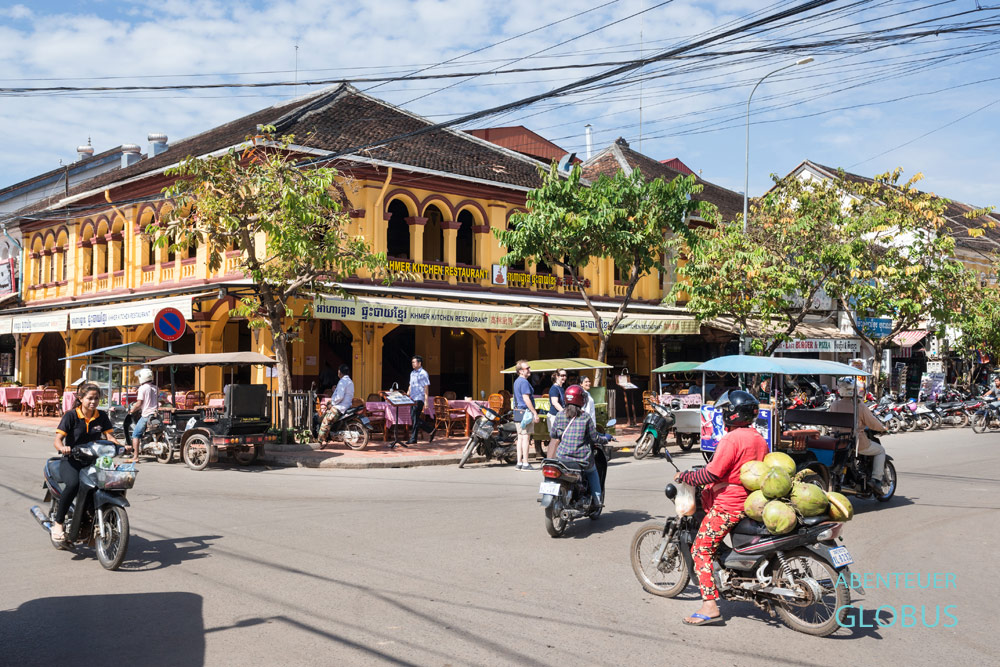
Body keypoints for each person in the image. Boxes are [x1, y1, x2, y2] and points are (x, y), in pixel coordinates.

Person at [673, 390, 768, 626]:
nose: (724, 415)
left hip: (729, 505)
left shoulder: (731, 439)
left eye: (726, 411)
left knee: (700, 550)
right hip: (750, 502)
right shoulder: (758, 437)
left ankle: (709, 605)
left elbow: (712, 472)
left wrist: (687, 476)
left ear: (733, 414)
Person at [50, 383, 122, 544]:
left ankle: (91, 521)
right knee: (73, 484)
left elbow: (109, 437)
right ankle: (58, 524)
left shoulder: (102, 416)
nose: (93, 401)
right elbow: (57, 440)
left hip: (95, 461)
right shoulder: (71, 416)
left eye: (96, 398)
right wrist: (63, 448)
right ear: (80, 398)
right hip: (72, 461)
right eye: (90, 398)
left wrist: (120, 446)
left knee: (109, 484)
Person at [549, 384, 610, 507]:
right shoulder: (585, 417)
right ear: (581, 399)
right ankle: (597, 500)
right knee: (593, 472)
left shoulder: (560, 415)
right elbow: (595, 438)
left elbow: (553, 434)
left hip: (562, 458)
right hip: (581, 458)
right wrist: (606, 439)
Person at [830, 377, 887, 490]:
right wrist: (883, 428)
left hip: (837, 440)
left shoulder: (834, 405)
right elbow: (872, 423)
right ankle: (876, 479)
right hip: (855, 442)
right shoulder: (859, 405)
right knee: (880, 450)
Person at [317, 364, 354, 446]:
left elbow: (339, 397)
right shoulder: (350, 381)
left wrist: (332, 403)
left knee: (326, 420)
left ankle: (319, 441)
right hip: (346, 405)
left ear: (340, 372)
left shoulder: (342, 381)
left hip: (339, 407)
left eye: (338, 371)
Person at [512, 359, 539, 470]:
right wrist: (534, 412)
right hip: (525, 412)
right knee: (526, 438)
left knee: (520, 438)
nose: (529, 370)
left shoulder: (517, 381)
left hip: (518, 412)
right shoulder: (524, 382)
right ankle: (526, 463)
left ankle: (519, 462)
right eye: (527, 368)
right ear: (521, 371)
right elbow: (526, 398)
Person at [128, 368, 158, 462]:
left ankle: (135, 457)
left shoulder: (142, 388)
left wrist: (132, 410)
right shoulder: (155, 387)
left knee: (135, 435)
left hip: (147, 415)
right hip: (156, 414)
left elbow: (139, 403)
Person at [406, 355, 436, 445]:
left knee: (414, 417)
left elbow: (426, 387)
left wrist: (426, 401)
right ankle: (431, 430)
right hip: (412, 398)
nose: (413, 364)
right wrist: (407, 393)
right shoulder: (412, 373)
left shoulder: (423, 373)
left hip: (419, 398)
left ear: (419, 363)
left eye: (414, 362)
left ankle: (413, 438)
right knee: (414, 417)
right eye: (412, 362)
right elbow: (410, 385)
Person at [547, 368, 567, 437]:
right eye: (562, 375)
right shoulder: (554, 388)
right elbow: (555, 403)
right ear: (557, 376)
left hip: (559, 416)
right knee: (555, 439)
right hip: (554, 416)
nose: (564, 377)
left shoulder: (561, 388)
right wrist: (564, 412)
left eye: (565, 375)